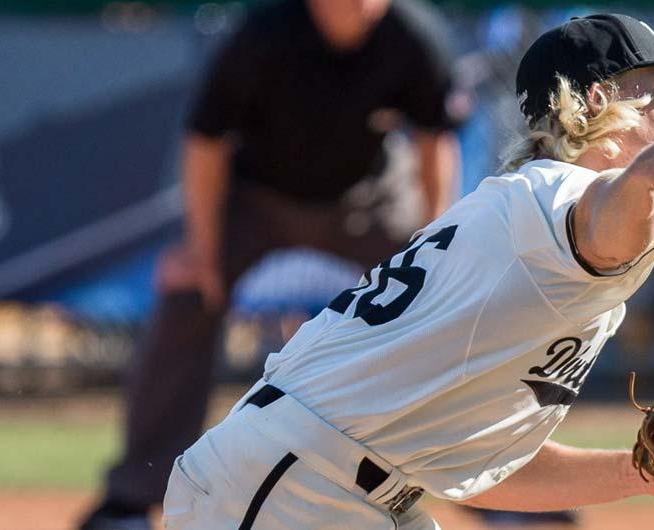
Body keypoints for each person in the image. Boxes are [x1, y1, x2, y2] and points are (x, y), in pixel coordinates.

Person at [158, 13, 654, 528]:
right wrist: (644, 178)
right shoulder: (558, 197)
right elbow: (603, 218)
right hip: (292, 490)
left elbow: (487, 467)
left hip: (324, 487)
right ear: (596, 102)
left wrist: (642, 474)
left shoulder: (533, 234)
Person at [76, 0, 473, 527]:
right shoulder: (265, 30)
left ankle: (498, 491)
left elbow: (433, 142)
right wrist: (202, 250)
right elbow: (206, 141)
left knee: (451, 306)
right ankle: (130, 498)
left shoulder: (412, 34)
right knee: (188, 291)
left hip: (369, 197)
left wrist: (436, 252)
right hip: (258, 196)